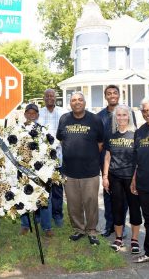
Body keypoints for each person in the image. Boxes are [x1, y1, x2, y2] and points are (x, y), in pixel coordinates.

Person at [57, 92, 103, 246]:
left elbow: (100, 143)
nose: (77, 102)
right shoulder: (64, 119)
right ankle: (78, 229)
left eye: (80, 100)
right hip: (69, 171)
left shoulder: (95, 119)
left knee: (91, 202)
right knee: (73, 203)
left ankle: (91, 230)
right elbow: (62, 140)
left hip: (90, 171)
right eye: (74, 100)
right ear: (70, 103)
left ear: (85, 102)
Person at [102, 105, 142, 253]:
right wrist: (105, 177)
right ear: (115, 118)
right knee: (116, 209)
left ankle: (135, 240)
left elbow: (139, 159)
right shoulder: (111, 134)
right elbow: (107, 156)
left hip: (132, 178)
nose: (121, 118)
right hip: (114, 177)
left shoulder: (136, 134)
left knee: (134, 210)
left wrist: (136, 178)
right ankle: (118, 239)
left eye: (124, 115)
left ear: (129, 117)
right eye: (118, 115)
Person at [97, 85, 136, 237]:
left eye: (115, 93)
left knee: (125, 197)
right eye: (109, 93)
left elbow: (134, 137)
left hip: (126, 164)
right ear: (105, 96)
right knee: (108, 194)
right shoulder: (100, 116)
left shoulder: (129, 112)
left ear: (119, 95)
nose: (112, 95)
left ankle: (121, 226)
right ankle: (109, 225)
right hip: (107, 161)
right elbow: (99, 141)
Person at [131, 97, 149, 263]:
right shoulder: (139, 132)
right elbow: (136, 159)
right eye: (145, 111)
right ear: (141, 113)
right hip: (144, 184)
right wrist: (134, 180)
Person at [20, 103, 54, 237]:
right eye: (28, 113)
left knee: (44, 197)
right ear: (25, 114)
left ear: (38, 115)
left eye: (34, 113)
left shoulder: (43, 130)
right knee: (22, 196)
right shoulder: (18, 129)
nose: (31, 115)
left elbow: (49, 150)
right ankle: (25, 224)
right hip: (22, 169)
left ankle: (47, 227)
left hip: (41, 171)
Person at [38, 89, 67, 227]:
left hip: (58, 156)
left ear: (55, 98)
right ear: (44, 98)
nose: (50, 98)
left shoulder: (62, 112)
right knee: (42, 186)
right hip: (41, 157)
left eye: (52, 96)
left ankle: (57, 215)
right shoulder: (39, 113)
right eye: (47, 96)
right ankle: (41, 214)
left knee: (57, 187)